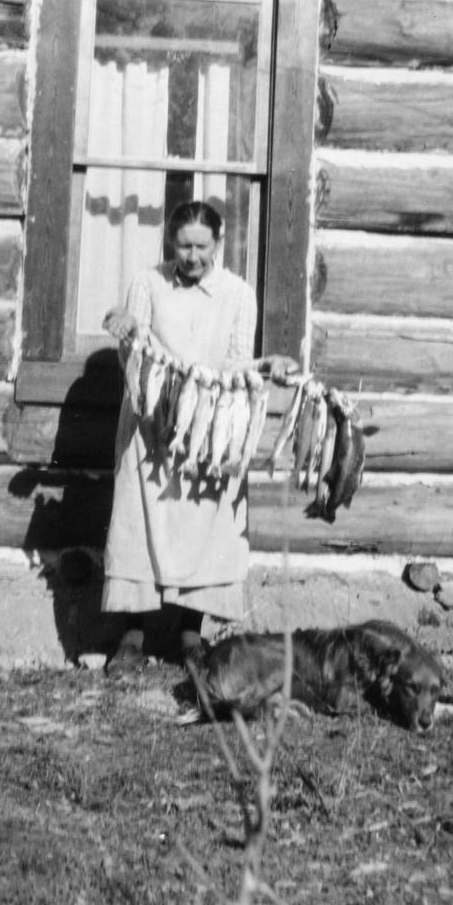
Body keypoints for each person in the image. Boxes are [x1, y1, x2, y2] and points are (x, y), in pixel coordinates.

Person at [101, 200, 296, 677]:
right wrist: (122, 324)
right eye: (183, 246)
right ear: (172, 243)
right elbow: (135, 349)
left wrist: (266, 365)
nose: (192, 256)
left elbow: (234, 361)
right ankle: (133, 635)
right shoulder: (148, 284)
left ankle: (192, 635)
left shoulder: (237, 294)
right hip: (152, 425)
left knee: (205, 524)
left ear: (219, 243)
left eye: (201, 247)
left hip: (209, 425)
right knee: (140, 523)